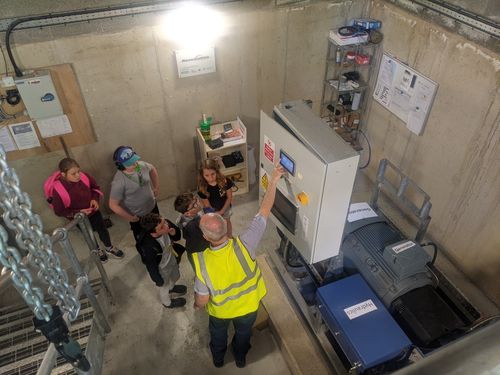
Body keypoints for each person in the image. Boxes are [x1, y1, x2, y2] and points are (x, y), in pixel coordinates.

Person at [193, 164, 285, 368]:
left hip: (221, 313)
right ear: (227, 227)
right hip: (249, 307)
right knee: (244, 334)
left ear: (205, 237)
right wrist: (274, 180)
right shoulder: (246, 243)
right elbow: (264, 211)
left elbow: (202, 300)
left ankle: (218, 359)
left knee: (218, 335)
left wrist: (197, 305)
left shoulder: (201, 263)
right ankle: (240, 357)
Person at [51, 158, 124, 262]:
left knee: (102, 229)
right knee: (89, 235)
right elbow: (59, 211)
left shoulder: (85, 177)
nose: (78, 176)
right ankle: (98, 250)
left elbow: (95, 188)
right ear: (63, 174)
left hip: (94, 212)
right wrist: (78, 213)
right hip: (78, 218)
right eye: (73, 174)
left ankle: (109, 247)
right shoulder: (58, 190)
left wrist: (95, 199)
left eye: (78, 171)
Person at [109, 146, 160, 259]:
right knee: (142, 238)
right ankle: (145, 256)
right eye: (130, 163)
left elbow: (153, 169)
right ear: (120, 165)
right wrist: (129, 217)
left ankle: (159, 248)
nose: (135, 164)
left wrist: (156, 187)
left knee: (157, 229)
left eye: (135, 160)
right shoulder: (119, 181)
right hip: (137, 215)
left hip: (152, 207)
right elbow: (113, 205)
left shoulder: (142, 165)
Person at [138, 213, 187, 308]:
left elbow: (177, 236)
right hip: (162, 267)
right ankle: (167, 303)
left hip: (171, 258)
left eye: (165, 222)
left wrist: (174, 233)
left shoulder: (164, 223)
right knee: (163, 286)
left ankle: (171, 288)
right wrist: (157, 279)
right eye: (161, 227)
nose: (167, 225)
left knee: (175, 275)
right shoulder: (149, 246)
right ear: (153, 233)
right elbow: (151, 265)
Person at [197, 159, 235, 238]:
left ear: (217, 172)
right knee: (216, 226)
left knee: (227, 222)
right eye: (206, 175)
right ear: (202, 175)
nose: (210, 178)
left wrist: (222, 211)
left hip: (225, 207)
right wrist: (216, 213)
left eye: (213, 174)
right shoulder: (202, 188)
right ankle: (220, 239)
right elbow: (207, 205)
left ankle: (230, 238)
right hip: (212, 210)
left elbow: (229, 197)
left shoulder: (225, 181)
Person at [174, 192, 210, 270]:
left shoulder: (192, 213)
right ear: (188, 213)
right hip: (199, 250)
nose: (197, 203)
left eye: (196, 200)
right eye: (194, 205)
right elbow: (204, 237)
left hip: (197, 246)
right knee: (201, 269)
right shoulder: (192, 225)